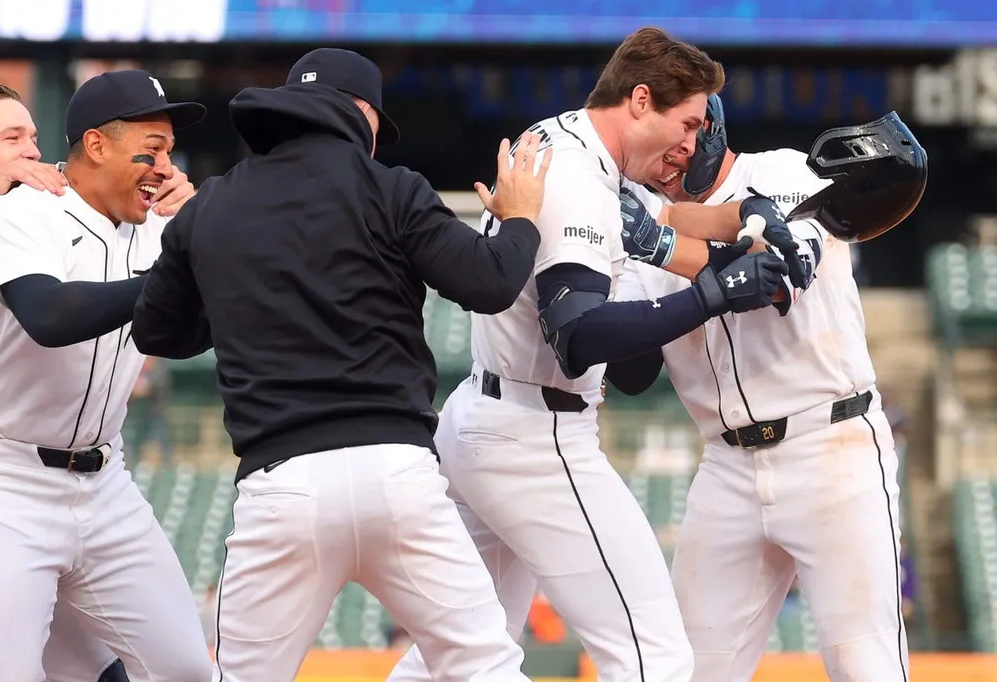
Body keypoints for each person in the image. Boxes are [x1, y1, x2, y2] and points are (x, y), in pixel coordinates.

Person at [387, 28, 799, 682]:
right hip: (533, 434)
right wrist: (713, 293)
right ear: (640, 100)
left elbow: (632, 369)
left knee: (458, 658)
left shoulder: (567, 149)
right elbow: (578, 339)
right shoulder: (577, 177)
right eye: (687, 123)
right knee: (654, 657)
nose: (691, 146)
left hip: (489, 418)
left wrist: (698, 258)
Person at [131, 48, 553, 682]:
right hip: (397, 474)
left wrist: (246, 299)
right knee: (484, 668)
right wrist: (519, 219)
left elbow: (156, 329)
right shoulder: (392, 187)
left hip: (283, 485)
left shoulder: (211, 204)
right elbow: (490, 284)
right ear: (360, 113)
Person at [612, 96, 927, 681]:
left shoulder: (780, 172)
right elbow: (631, 373)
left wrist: (663, 235)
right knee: (684, 670)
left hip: (830, 446)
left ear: (711, 129)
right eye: (667, 138)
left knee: (867, 666)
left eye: (691, 131)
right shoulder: (642, 228)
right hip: (725, 467)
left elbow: (782, 269)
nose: (677, 153)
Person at [0, 69, 212, 682]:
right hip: (4, 486)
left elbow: (186, 337)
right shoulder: (21, 213)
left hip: (107, 487)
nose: (165, 164)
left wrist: (204, 241)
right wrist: (171, 279)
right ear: (97, 145)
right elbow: (49, 317)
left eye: (169, 150)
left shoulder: (162, 230)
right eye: (150, 148)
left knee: (185, 669)